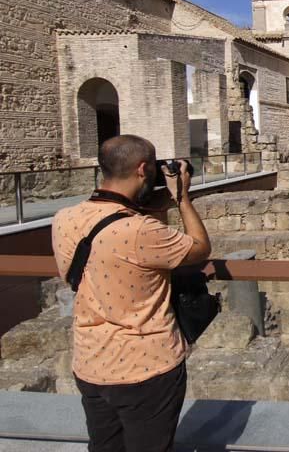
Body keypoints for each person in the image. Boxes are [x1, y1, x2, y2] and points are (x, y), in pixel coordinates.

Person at [52, 135, 211, 452]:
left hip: (91, 363)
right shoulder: (139, 231)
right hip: (146, 368)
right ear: (143, 169)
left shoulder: (63, 219)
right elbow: (200, 249)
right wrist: (181, 198)